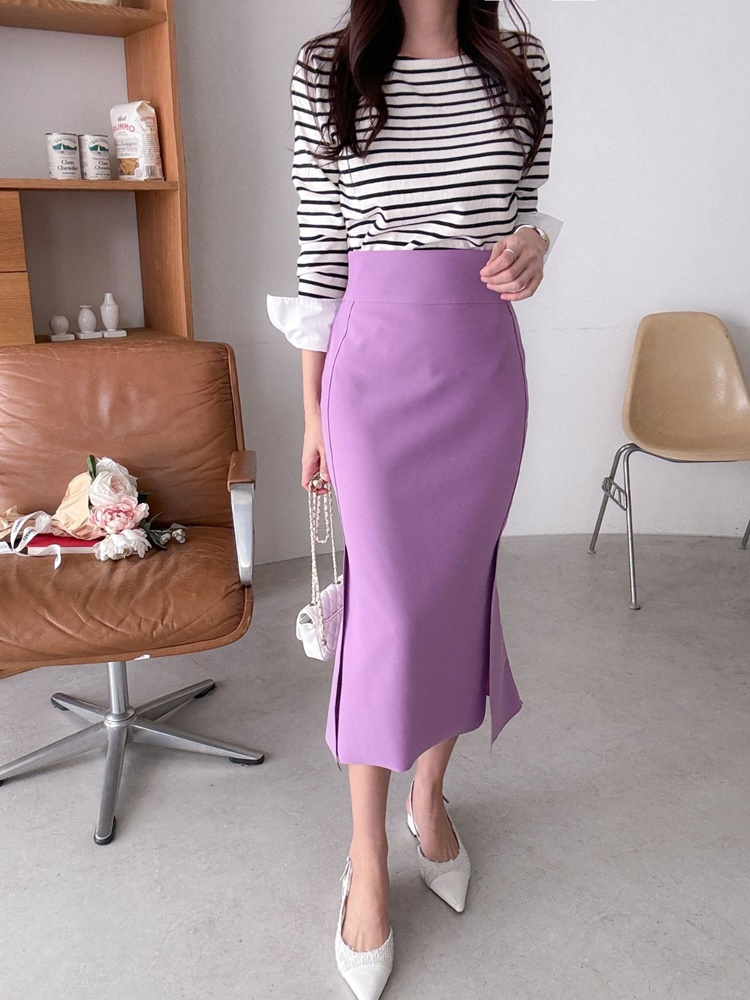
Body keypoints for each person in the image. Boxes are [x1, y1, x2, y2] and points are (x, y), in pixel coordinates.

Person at [267, 2, 562, 996]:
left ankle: (427, 800)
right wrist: (313, 411)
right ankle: (366, 859)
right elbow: (320, 246)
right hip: (374, 372)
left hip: (482, 372)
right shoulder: (328, 68)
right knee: (388, 613)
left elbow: (526, 208)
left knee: (454, 597)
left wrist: (535, 245)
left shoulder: (520, 61)